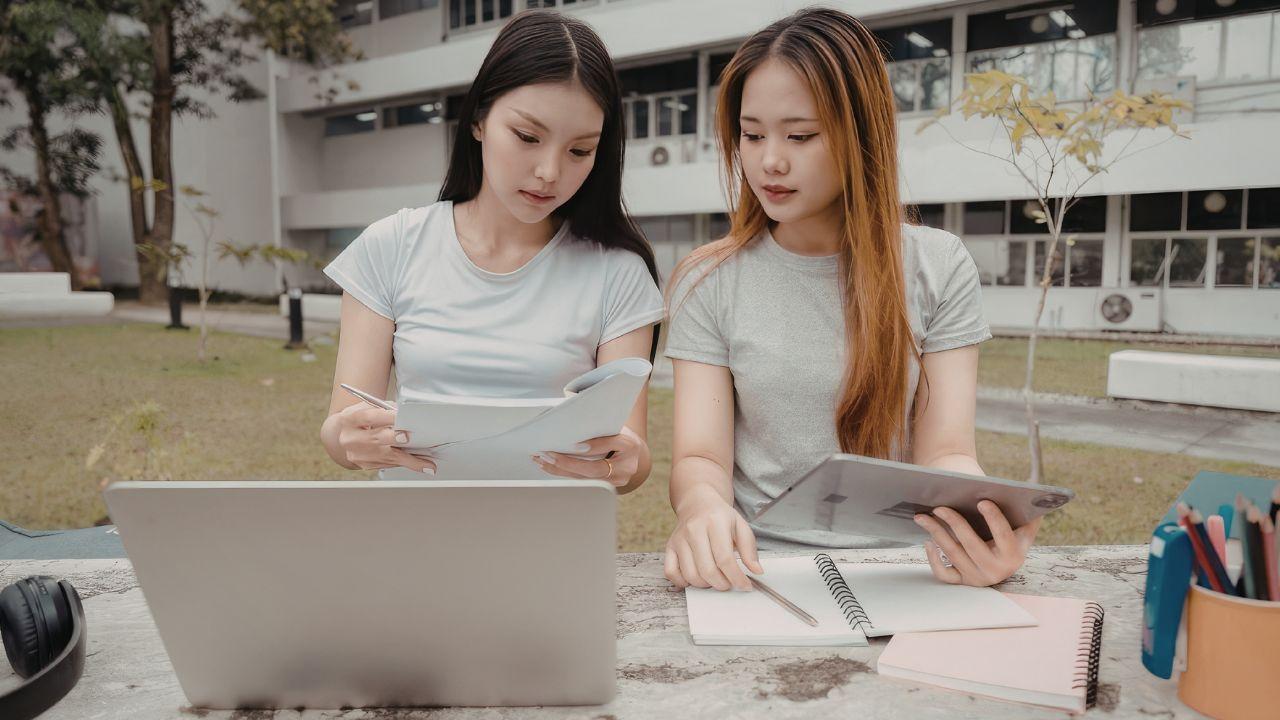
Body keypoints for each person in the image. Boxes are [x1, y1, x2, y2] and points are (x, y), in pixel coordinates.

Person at [663, 7, 1039, 591]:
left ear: (861, 133)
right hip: (759, 574)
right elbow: (698, 460)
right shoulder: (708, 279)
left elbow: (946, 452)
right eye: (752, 134)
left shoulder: (938, 265)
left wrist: (981, 524)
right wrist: (701, 509)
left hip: (907, 573)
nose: (769, 161)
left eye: (800, 135)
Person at [320, 11, 663, 493]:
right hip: (410, 535)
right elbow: (342, 429)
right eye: (527, 137)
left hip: (552, 540)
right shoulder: (391, 246)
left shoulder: (618, 273)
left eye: (580, 151)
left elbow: (632, 456)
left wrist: (622, 463)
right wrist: (346, 438)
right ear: (479, 119)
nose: (549, 171)